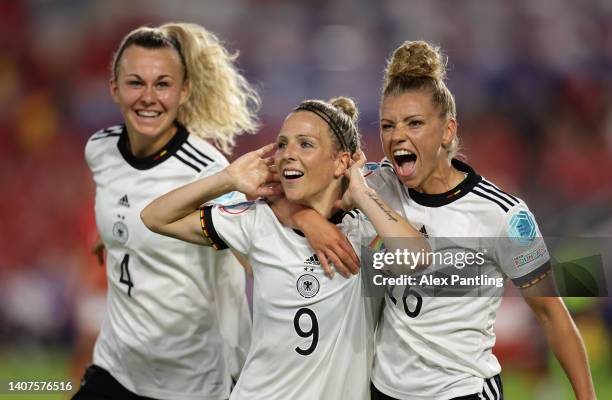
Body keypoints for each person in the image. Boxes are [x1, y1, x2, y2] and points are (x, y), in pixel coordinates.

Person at [285, 41, 596, 400]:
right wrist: (311, 220)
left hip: (461, 391)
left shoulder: (502, 216)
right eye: (388, 125)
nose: (397, 135)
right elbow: (289, 191)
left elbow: (551, 313)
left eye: (414, 123)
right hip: (385, 391)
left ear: (448, 130)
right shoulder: (374, 185)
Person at [141, 96, 430, 399]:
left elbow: (420, 260)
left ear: (341, 162)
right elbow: (154, 217)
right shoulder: (257, 222)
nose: (288, 154)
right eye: (282, 144)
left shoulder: (365, 230)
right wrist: (227, 179)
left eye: (305, 144)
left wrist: (359, 191)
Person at [73, 23, 258, 400]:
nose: (148, 97)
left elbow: (255, 253)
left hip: (189, 386)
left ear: (183, 91)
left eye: (162, 84)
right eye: (135, 83)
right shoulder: (100, 149)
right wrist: (110, 237)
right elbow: (123, 205)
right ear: (114, 88)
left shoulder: (207, 172)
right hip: (115, 369)